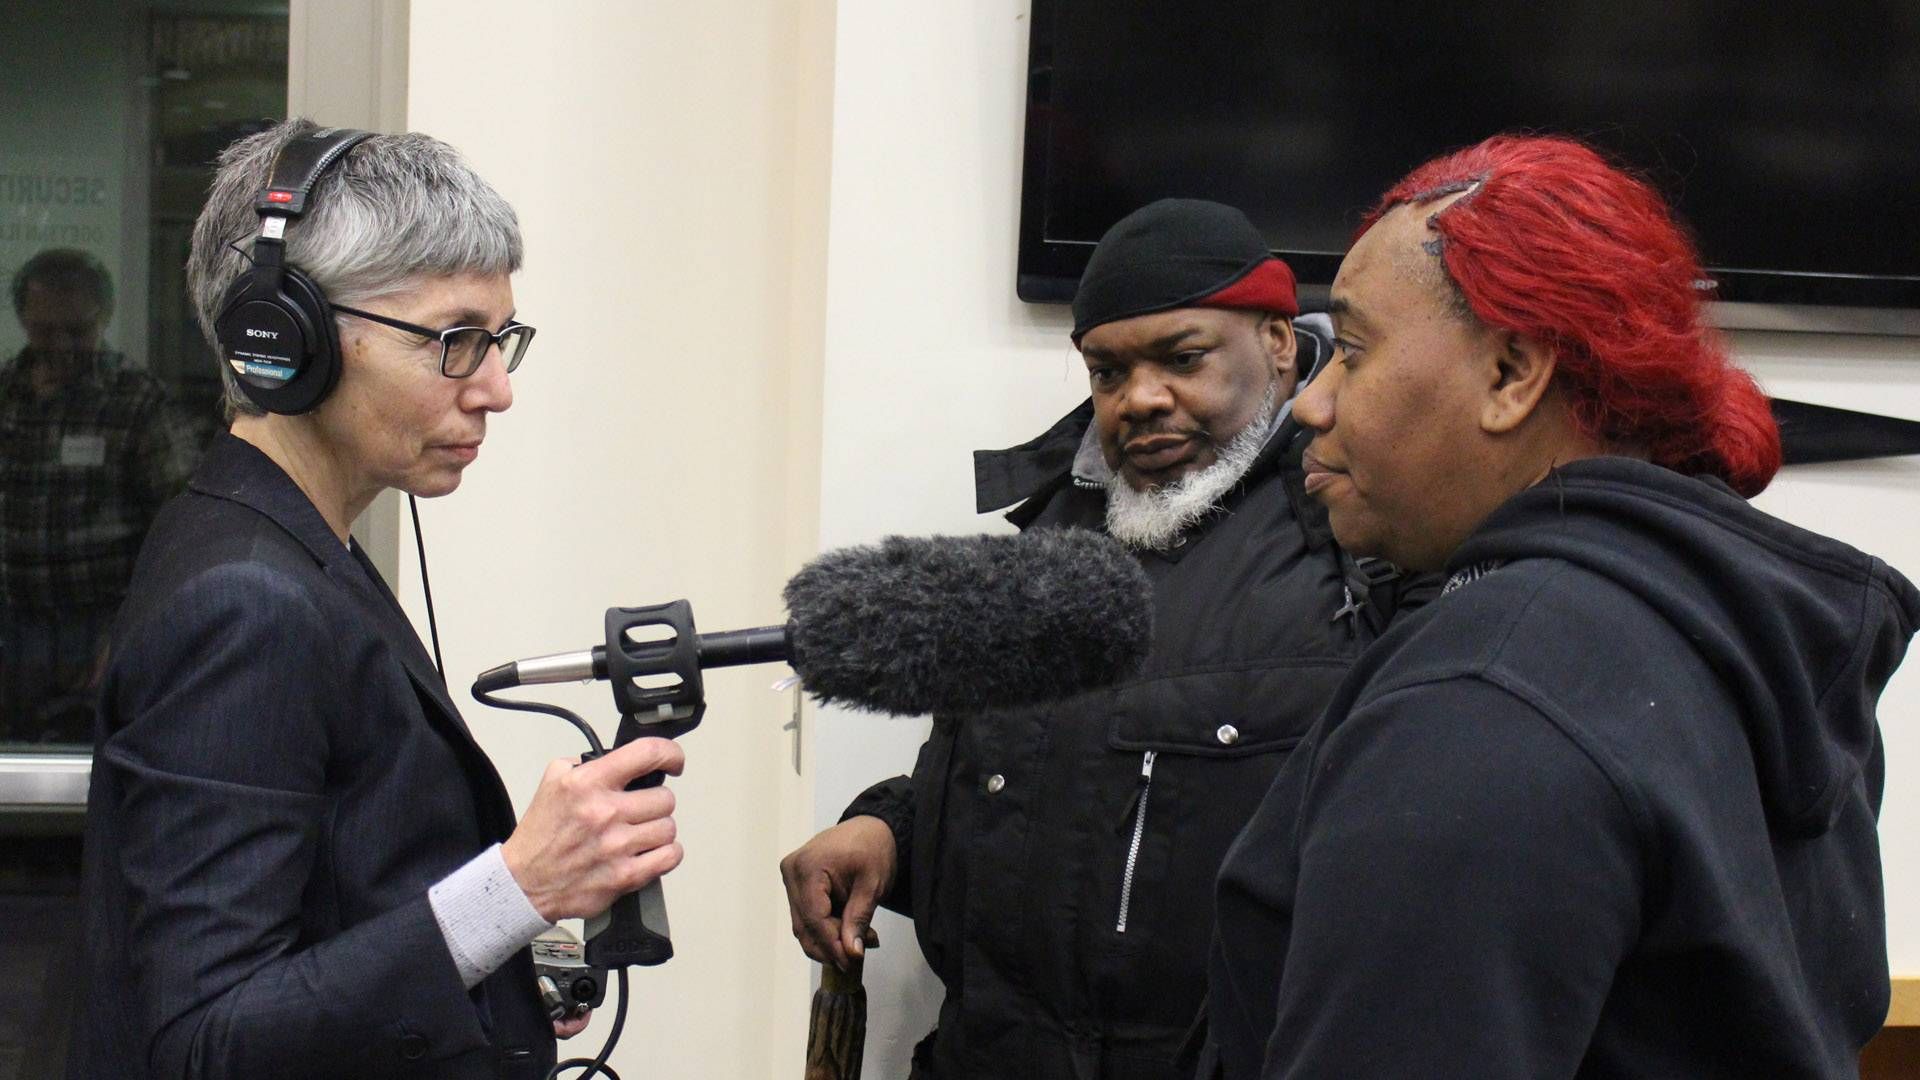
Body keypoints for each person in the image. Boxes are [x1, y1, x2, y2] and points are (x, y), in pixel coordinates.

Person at [1202, 134, 1920, 1078]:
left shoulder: (1483, 703)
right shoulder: (1738, 636)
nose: (1312, 404)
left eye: (1356, 352)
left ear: (1510, 374)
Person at [73, 121, 685, 1079]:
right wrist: (518, 888)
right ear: (287, 338)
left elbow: (338, 898)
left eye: (500, 341)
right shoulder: (245, 605)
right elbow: (207, 1041)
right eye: (455, 341)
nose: (494, 389)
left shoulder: (290, 542)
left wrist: (498, 961)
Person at [781, 199, 1430, 1079]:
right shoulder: (1047, 538)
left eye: (1183, 358)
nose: (1142, 400)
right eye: (1108, 372)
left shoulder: (1370, 540)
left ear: (1280, 342)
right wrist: (890, 832)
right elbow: (1001, 781)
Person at [0, 248, 193, 742]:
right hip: (11, 623)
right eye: (45, 332)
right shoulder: (5, 394)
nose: (62, 346)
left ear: (104, 319)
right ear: (23, 319)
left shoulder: (137, 401)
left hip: (101, 627)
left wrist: (132, 628)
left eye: (77, 331)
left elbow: (183, 527)